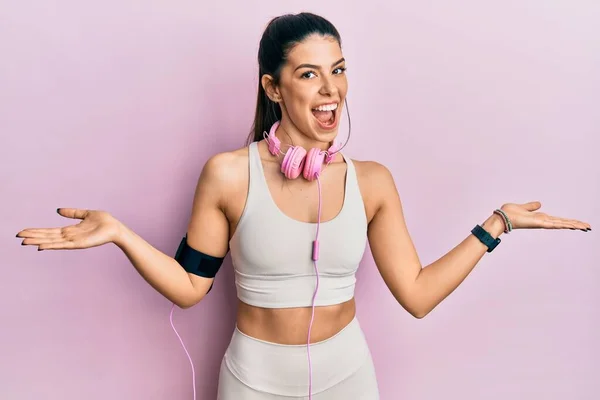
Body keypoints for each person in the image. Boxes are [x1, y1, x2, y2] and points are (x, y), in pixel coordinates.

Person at [16, 12, 591, 400]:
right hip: (254, 379)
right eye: (309, 74)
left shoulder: (373, 182)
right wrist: (119, 232)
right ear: (272, 88)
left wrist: (498, 224)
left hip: (349, 375)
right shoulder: (227, 174)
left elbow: (416, 295)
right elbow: (191, 289)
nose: (330, 90)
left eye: (338, 71)